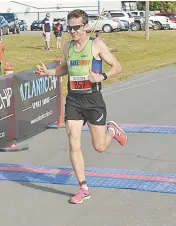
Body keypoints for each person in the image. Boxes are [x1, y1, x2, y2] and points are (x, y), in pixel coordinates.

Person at [34, 9, 127, 204]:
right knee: (73, 140)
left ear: (85, 26)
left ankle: (111, 130)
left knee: (99, 147)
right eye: (70, 28)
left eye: (76, 27)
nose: (73, 31)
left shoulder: (97, 44)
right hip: (74, 100)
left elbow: (117, 67)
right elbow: (64, 69)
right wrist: (48, 72)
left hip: (93, 100)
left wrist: (100, 76)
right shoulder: (67, 46)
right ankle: (83, 187)